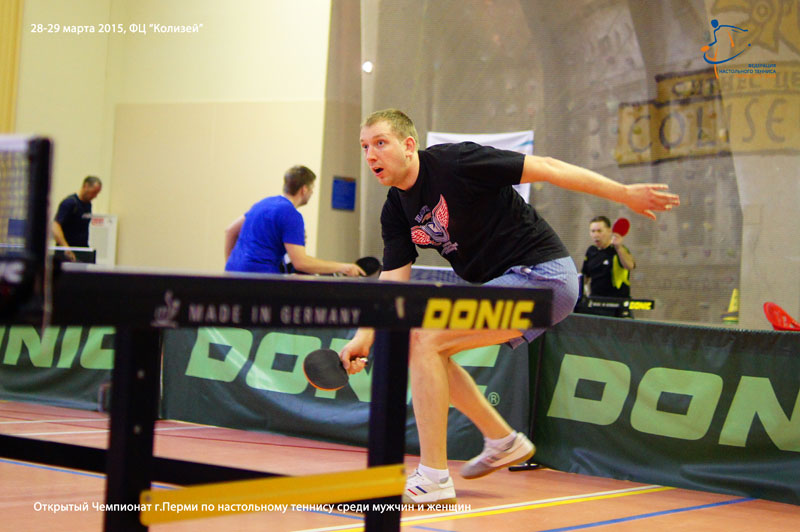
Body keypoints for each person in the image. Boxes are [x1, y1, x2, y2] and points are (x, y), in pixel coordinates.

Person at [340, 109, 680, 504]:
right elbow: (392, 282)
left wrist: (623, 194)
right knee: (426, 346)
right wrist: (363, 337)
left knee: (423, 340)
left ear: (409, 145)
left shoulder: (456, 162)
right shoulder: (395, 210)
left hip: (543, 277)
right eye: (365, 147)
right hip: (511, 284)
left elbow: (548, 167)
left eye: (380, 143)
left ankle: (434, 476)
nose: (371, 155)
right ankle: (502, 440)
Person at [225, 165, 364, 276]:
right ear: (304, 189)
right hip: (261, 278)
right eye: (312, 188)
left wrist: (231, 265)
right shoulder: (291, 214)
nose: (312, 193)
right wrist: (343, 267)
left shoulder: (262, 204)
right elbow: (301, 263)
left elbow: (230, 231)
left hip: (233, 274)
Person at [578, 215, 636, 317]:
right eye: (593, 231)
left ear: (609, 231)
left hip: (617, 306)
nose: (596, 235)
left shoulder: (619, 250)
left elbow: (630, 265)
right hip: (595, 303)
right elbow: (585, 277)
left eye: (599, 231)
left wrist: (618, 247)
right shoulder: (591, 251)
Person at [52, 176, 102, 262]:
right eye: (93, 192)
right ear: (86, 186)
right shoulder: (69, 203)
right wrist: (66, 248)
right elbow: (55, 226)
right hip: (67, 253)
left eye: (96, 194)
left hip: (82, 251)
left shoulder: (88, 205)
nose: (95, 196)